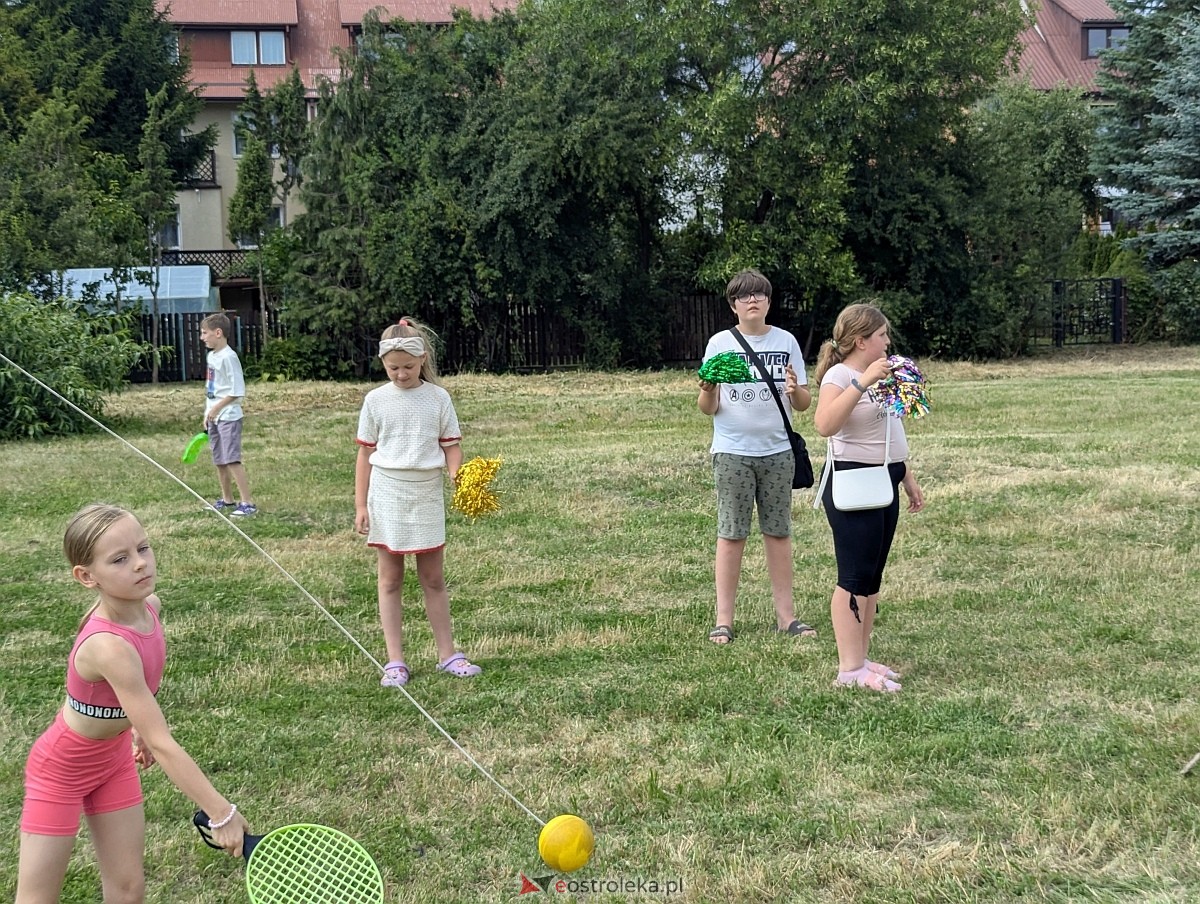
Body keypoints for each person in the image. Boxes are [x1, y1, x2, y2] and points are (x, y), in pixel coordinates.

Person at [16, 504, 250, 903]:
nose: (141, 564)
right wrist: (221, 812)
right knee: (38, 897)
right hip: (61, 769)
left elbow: (132, 691)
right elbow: (163, 743)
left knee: (128, 888)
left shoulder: (150, 609)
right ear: (86, 577)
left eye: (143, 548)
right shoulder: (108, 646)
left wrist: (134, 724)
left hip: (112, 761)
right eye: (120, 559)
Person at [355, 317, 482, 687]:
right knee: (390, 579)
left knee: (433, 578)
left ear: (423, 359)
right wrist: (361, 505)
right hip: (388, 493)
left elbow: (451, 446)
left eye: (408, 367)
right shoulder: (375, 401)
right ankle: (395, 661)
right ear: (383, 363)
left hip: (425, 494)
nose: (400, 374)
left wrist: (460, 478)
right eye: (393, 368)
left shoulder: (438, 399)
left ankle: (448, 654)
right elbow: (365, 456)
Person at [697, 269, 816, 646]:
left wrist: (796, 390)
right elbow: (707, 408)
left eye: (760, 296)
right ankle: (723, 620)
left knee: (778, 532)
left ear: (768, 302)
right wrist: (708, 388)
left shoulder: (786, 342)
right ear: (733, 305)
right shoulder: (720, 344)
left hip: (778, 451)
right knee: (731, 534)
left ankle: (787, 617)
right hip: (732, 452)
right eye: (745, 297)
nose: (753, 301)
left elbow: (803, 402)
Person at [812, 303, 925, 693]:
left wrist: (906, 475)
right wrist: (862, 383)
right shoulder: (840, 375)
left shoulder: (883, 374)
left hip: (884, 478)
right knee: (853, 578)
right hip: (853, 481)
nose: (887, 341)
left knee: (872, 579)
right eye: (881, 335)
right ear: (861, 341)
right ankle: (849, 670)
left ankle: (861, 658)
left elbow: (889, 431)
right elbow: (825, 424)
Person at [199, 312, 256, 517]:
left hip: (229, 416)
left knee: (232, 459)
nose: (202, 337)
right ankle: (227, 499)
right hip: (214, 416)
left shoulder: (229, 357)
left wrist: (216, 408)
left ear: (218, 332)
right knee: (219, 459)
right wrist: (208, 412)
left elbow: (236, 390)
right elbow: (212, 389)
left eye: (205, 333)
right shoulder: (212, 356)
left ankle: (247, 502)